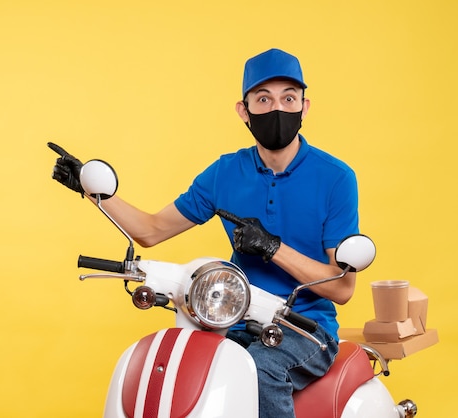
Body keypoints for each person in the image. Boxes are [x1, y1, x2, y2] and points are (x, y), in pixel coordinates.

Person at [50, 48, 359, 418]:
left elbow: (342, 288)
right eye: (263, 99)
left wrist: (272, 249)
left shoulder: (336, 178)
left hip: (305, 329)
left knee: (261, 369)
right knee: (182, 365)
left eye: (288, 98)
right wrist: (95, 193)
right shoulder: (225, 173)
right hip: (233, 318)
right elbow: (151, 230)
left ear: (304, 107)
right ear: (244, 111)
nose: (277, 108)